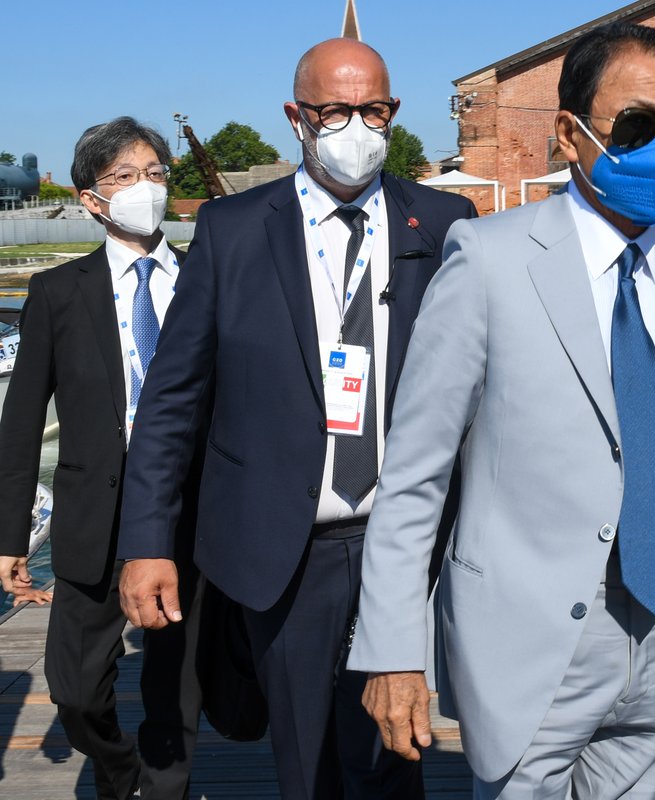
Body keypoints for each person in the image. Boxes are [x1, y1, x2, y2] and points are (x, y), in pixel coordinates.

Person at [351, 22, 655, 798]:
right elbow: (416, 475)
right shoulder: (487, 260)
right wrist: (392, 651)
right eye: (637, 127)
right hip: (526, 647)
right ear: (569, 133)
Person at [116, 38, 475, 800]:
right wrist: (147, 542)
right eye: (334, 111)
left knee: (395, 753)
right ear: (296, 117)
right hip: (285, 552)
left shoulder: (446, 224)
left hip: (407, 541)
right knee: (309, 764)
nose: (357, 128)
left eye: (373, 110)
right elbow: (172, 401)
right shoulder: (232, 230)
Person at [0, 117, 203, 800]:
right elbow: (20, 421)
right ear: (91, 198)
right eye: (124, 176)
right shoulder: (57, 292)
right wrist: (9, 533)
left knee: (176, 687)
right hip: (94, 517)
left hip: (188, 512)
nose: (146, 186)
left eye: (154, 173)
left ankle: (163, 790)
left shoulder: (206, 278)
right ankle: (121, 771)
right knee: (75, 691)